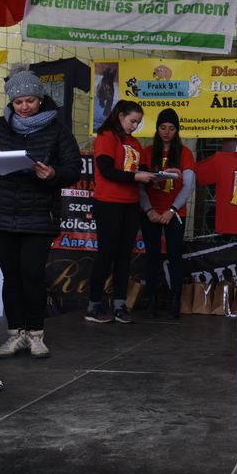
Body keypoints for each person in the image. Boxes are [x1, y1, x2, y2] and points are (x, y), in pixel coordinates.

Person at [0, 66, 81, 358]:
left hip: (39, 216)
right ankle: (15, 334)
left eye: (30, 101)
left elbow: (74, 168)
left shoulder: (58, 131)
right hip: (2, 214)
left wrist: (53, 173)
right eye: (18, 101)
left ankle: (36, 334)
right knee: (11, 276)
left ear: (40, 99)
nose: (24, 107)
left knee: (32, 274)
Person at [86, 100, 156, 324]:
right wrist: (136, 176)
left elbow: (142, 171)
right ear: (120, 116)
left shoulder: (135, 143)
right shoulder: (106, 136)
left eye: (138, 122)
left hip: (131, 203)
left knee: (125, 255)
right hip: (108, 202)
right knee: (107, 253)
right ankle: (94, 305)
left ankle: (119, 304)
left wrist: (159, 174)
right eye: (132, 121)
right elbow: (107, 170)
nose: (134, 126)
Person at [138, 108, 195, 318]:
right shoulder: (146, 152)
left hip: (175, 212)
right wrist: (149, 210)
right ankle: (151, 299)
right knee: (152, 256)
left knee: (175, 256)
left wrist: (172, 210)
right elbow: (140, 185)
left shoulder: (184, 153)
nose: (166, 132)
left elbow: (188, 185)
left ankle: (174, 301)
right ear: (157, 128)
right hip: (151, 212)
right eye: (163, 127)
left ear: (176, 130)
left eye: (171, 128)